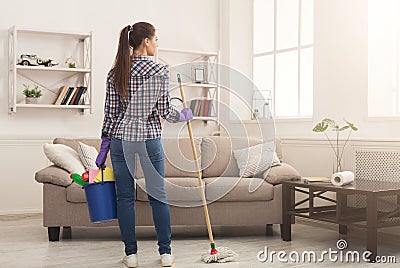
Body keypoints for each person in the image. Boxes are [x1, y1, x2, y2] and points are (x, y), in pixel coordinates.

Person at [95, 22, 192, 268]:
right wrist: (184, 115)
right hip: (149, 138)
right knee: (158, 196)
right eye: (156, 39)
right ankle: (166, 253)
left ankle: (131, 255)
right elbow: (165, 112)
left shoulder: (116, 71)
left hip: (120, 139)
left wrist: (104, 143)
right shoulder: (160, 71)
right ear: (146, 41)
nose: (157, 44)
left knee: (125, 198)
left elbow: (110, 113)